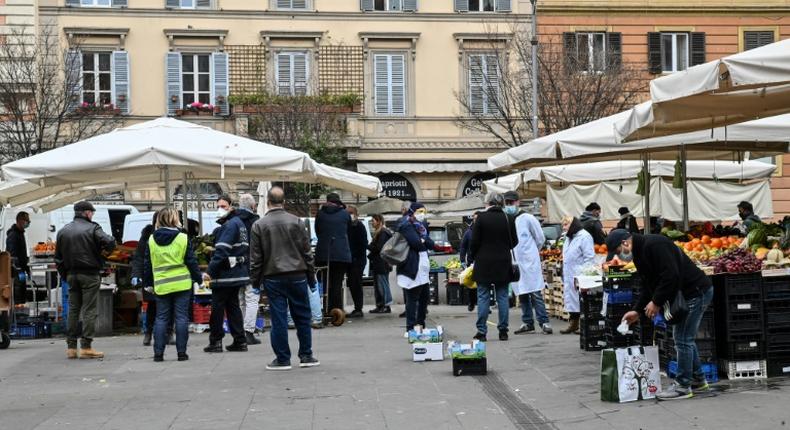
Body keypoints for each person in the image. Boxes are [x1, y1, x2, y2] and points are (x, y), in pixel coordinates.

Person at [612, 229, 714, 400]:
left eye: (617, 252)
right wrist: (637, 310)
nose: (620, 257)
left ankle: (683, 386)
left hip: (695, 292)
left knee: (682, 338)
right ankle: (698, 380)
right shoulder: (639, 253)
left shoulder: (655, 244)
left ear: (625, 244)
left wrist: (657, 302)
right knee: (685, 337)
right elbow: (648, 286)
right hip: (688, 293)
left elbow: (670, 276)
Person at [250, 186, 319, 370]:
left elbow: (256, 259)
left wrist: (255, 282)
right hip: (297, 274)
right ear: (284, 202)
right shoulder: (297, 222)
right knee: (302, 316)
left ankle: (282, 358)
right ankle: (306, 355)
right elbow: (307, 253)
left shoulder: (259, 225)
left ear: (268, 202)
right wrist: (312, 279)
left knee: (278, 318)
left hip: (273, 276)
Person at [55, 201, 116, 359]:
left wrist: (65, 275)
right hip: (89, 274)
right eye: (92, 213)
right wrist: (103, 255)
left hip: (71, 274)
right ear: (87, 213)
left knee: (74, 310)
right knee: (89, 310)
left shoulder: (63, 231)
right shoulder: (93, 228)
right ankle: (87, 346)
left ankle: (71, 348)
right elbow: (110, 241)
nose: (92, 215)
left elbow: (58, 259)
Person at [142, 208, 202, 362]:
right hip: (182, 284)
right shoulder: (183, 238)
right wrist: (199, 279)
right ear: (174, 220)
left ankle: (158, 354)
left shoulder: (151, 240)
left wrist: (148, 283)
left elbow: (147, 264)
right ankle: (181, 353)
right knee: (181, 318)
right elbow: (191, 261)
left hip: (162, 285)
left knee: (161, 318)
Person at [203, 195, 249, 353]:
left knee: (218, 308)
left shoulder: (230, 225)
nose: (220, 209)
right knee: (233, 306)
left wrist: (209, 271)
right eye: (218, 206)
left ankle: (216, 341)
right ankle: (240, 340)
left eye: (223, 206)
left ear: (231, 207)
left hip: (224, 274)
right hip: (236, 273)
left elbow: (222, 250)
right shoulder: (239, 223)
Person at [469, 192, 517, 342]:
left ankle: (482, 331)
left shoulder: (481, 218)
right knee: (502, 296)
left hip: (484, 262)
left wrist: (475, 255)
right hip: (503, 261)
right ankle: (503, 331)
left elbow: (474, 242)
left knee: (483, 296)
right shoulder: (508, 218)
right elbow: (514, 241)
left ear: (487, 203)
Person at [504, 192, 552, 335]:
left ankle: (544, 322)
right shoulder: (506, 219)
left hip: (529, 260)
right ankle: (527, 322)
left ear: (518, 202)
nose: (509, 205)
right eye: (507, 203)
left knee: (535, 292)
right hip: (514, 261)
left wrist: (531, 252)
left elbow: (540, 238)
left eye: (511, 202)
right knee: (522, 293)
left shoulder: (528, 218)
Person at [396, 201, 434, 332]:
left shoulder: (422, 225)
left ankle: (421, 324)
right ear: (412, 212)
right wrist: (423, 241)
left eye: (424, 211)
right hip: (411, 265)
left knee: (424, 297)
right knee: (412, 297)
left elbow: (430, 243)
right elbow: (416, 243)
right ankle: (410, 327)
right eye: (419, 212)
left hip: (423, 265)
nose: (422, 214)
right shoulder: (405, 225)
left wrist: (423, 241)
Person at [315, 193, 352, 314]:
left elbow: (318, 231)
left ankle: (326, 309)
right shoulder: (345, 214)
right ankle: (337, 309)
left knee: (326, 282)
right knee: (337, 282)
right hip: (341, 253)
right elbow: (348, 231)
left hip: (324, 253)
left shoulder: (320, 214)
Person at [130, 212, 162, 346]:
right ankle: (148, 332)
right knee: (152, 306)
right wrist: (136, 274)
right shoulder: (147, 236)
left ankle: (169, 332)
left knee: (168, 305)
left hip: (167, 275)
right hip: (150, 276)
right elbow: (139, 257)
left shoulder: (176, 234)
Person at [559, 216, 595, 335]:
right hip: (569, 273)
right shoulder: (569, 237)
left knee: (581, 300)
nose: (563, 228)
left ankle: (583, 324)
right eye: (563, 225)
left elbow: (589, 257)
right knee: (571, 299)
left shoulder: (584, 236)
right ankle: (573, 323)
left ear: (572, 224)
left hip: (579, 273)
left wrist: (585, 274)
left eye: (566, 225)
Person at [235, 193, 262, 345]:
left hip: (237, 264)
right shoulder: (256, 222)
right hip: (253, 264)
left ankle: (241, 331)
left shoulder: (234, 220)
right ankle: (249, 331)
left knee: (240, 300)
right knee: (252, 299)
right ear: (253, 206)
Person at [368, 214, 393, 314]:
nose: (372, 223)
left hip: (382, 262)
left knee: (382, 284)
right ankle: (380, 305)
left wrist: (368, 246)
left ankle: (385, 305)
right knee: (379, 285)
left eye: (373, 221)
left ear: (378, 221)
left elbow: (379, 248)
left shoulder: (383, 233)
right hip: (380, 262)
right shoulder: (380, 232)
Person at [346, 205, 368, 318]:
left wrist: (355, 256)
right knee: (352, 283)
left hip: (357, 260)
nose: (349, 215)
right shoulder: (348, 225)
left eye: (351, 212)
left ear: (356, 214)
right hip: (351, 260)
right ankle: (357, 308)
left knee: (356, 284)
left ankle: (358, 309)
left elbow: (363, 244)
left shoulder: (359, 226)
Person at [6, 211, 31, 305]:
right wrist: (19, 269)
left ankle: (21, 309)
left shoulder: (20, 233)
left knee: (22, 292)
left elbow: (22, 253)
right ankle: (18, 314)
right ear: (20, 220)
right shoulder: (13, 235)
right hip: (16, 270)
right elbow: (12, 255)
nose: (28, 222)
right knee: (18, 293)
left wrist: (26, 267)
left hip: (20, 269)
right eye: (27, 220)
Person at [458, 212, 479, 312]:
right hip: (471, 261)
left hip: (483, 261)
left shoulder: (485, 230)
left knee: (483, 284)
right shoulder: (468, 232)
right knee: (471, 284)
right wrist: (462, 259)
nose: (476, 220)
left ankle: (484, 305)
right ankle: (471, 302)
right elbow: (463, 246)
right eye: (475, 218)